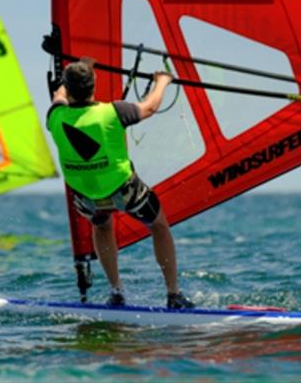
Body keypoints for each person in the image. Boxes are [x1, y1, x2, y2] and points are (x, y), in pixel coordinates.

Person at [46, 59, 194, 309]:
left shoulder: (55, 116)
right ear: (95, 85)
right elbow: (150, 106)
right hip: (124, 191)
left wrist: (78, 68)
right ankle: (174, 294)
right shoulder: (113, 112)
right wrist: (162, 81)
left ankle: (116, 291)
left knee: (102, 226)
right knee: (158, 225)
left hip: (86, 198)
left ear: (67, 90)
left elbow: (58, 95)